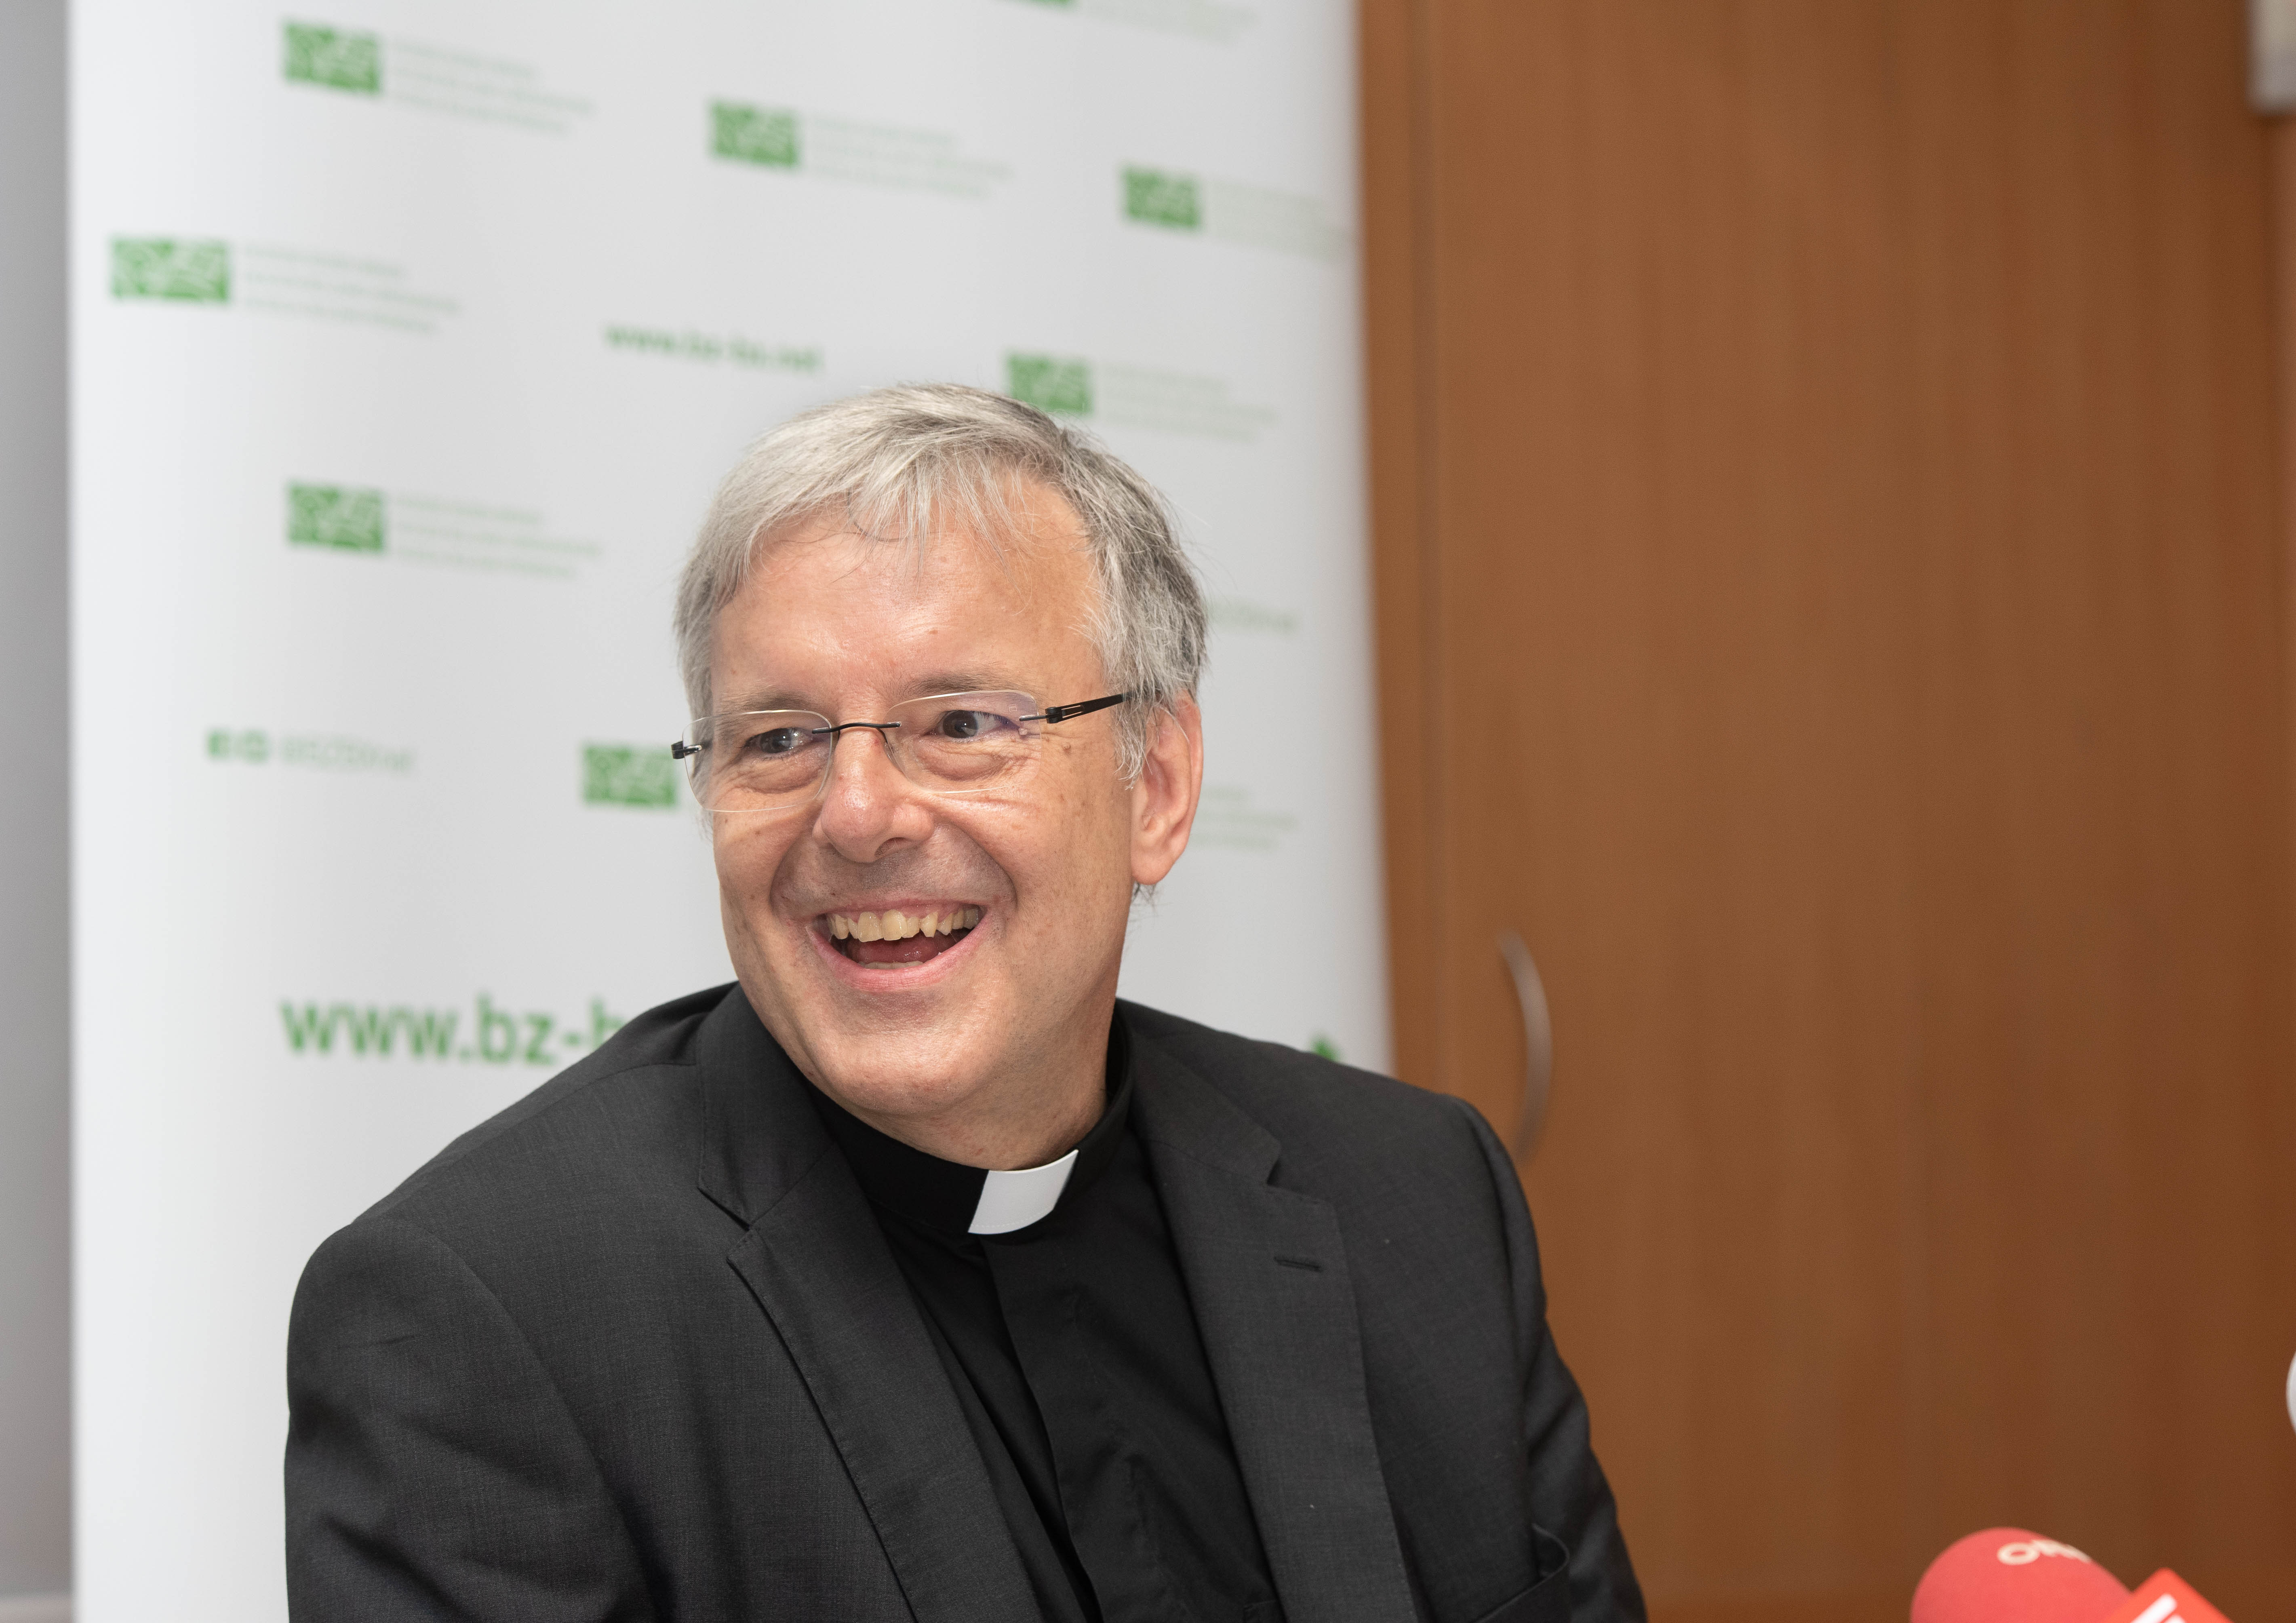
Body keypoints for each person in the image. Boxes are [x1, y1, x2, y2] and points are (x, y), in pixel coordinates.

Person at [284, 384, 1644, 1623]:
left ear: (1158, 787)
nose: (858, 814)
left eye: (963, 724)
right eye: (780, 739)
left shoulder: (1415, 1197)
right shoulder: (488, 1318)